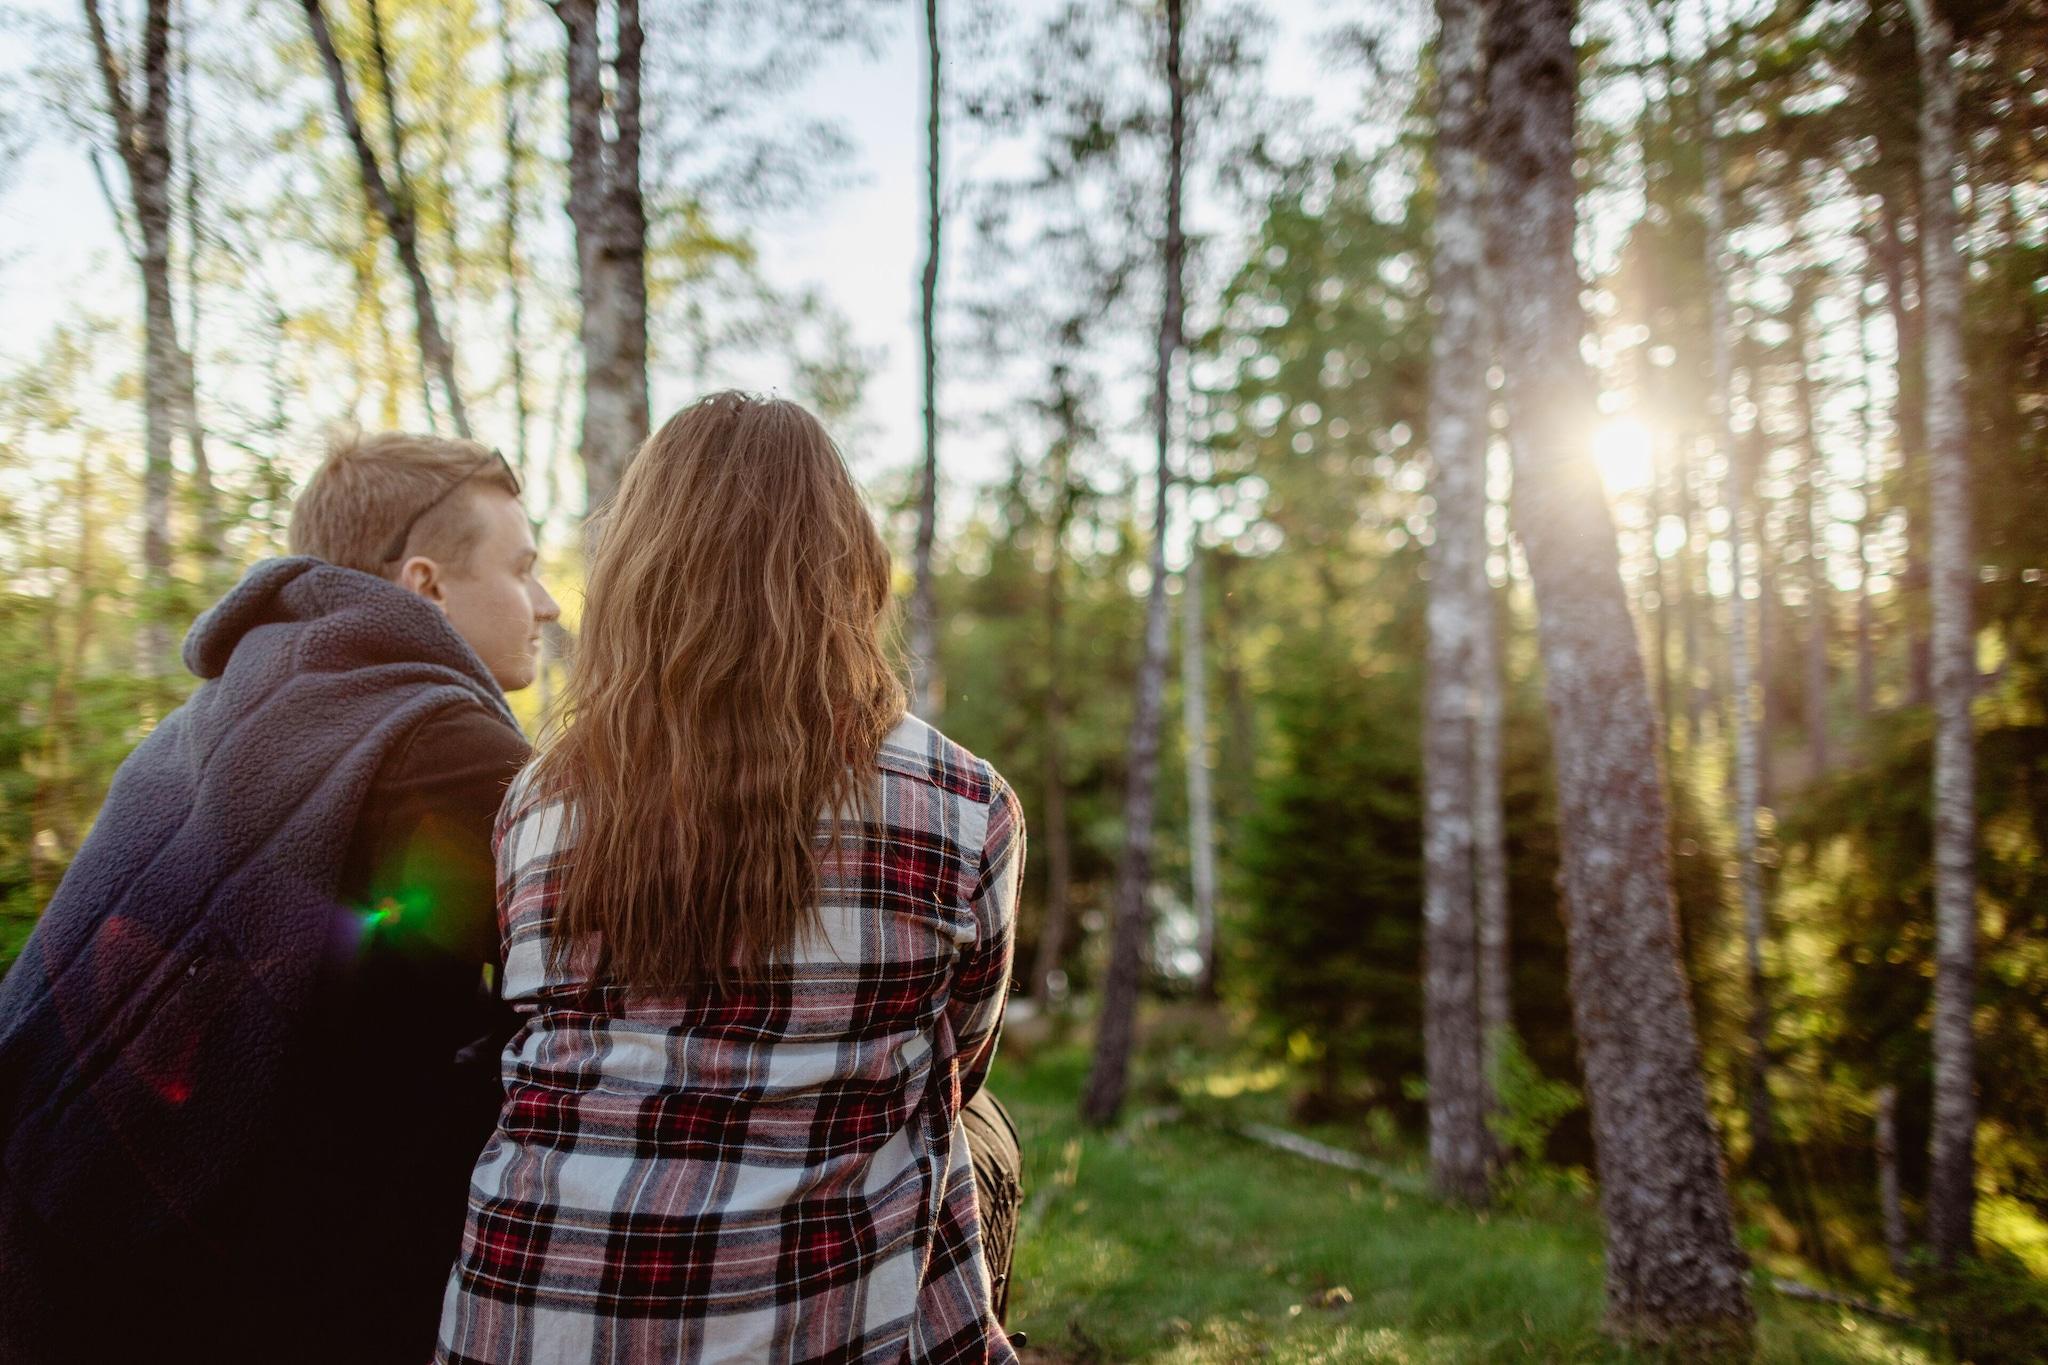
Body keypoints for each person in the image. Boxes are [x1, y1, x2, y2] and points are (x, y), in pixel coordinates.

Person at [436, 392, 1024, 1365]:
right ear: (846, 572)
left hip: (522, 1320)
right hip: (798, 1329)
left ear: (636, 579)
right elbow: (965, 1061)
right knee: (954, 1121)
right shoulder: (962, 801)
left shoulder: (536, 801)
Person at [0, 432, 559, 1364]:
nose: (545, 602)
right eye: (523, 568)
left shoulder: (214, 715)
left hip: (56, 1237)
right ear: (425, 583)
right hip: (246, 1294)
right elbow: (596, 1001)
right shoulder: (445, 746)